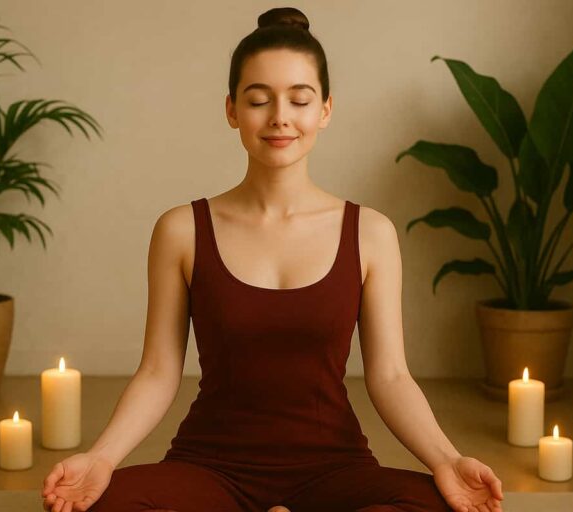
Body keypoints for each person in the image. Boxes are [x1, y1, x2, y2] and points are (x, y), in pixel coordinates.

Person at [42, 7, 504, 512]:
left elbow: (390, 376)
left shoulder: (370, 233)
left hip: (335, 469)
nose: (280, 117)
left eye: (299, 100)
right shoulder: (181, 230)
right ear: (232, 110)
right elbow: (158, 371)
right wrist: (102, 458)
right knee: (104, 506)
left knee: (443, 506)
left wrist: (446, 460)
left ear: (325, 109)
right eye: (259, 100)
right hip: (210, 467)